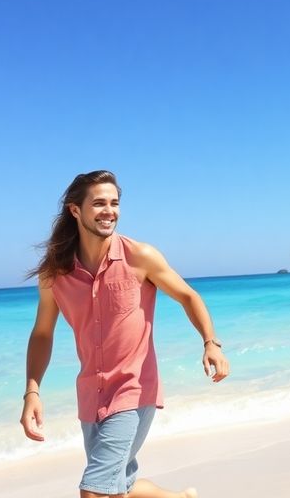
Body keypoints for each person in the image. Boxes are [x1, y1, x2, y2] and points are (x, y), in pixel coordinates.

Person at [21, 170, 230, 498]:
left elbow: (188, 296)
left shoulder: (139, 257)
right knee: (121, 488)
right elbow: (42, 333)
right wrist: (32, 391)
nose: (109, 211)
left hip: (134, 390)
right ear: (75, 210)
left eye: (114, 203)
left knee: (94, 490)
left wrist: (210, 342)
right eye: (99, 203)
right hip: (91, 395)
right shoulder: (55, 273)